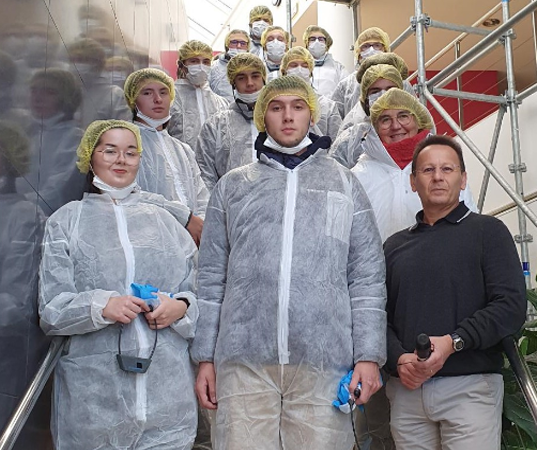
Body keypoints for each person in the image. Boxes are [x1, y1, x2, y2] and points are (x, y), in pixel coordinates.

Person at [191, 76, 387, 450]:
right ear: (263, 117)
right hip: (243, 360)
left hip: (325, 361)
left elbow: (365, 277)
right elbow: (211, 277)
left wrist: (368, 355)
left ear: (311, 115)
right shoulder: (233, 186)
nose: (287, 116)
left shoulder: (344, 184)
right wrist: (205, 358)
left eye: (297, 106)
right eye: (276, 107)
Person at [38, 119, 199, 450]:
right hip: (95, 402)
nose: (121, 160)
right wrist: (101, 306)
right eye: (109, 150)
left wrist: (180, 307)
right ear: (90, 157)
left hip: (168, 398)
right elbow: (52, 309)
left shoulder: (166, 222)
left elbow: (200, 292)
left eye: (130, 152)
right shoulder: (67, 221)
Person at [384, 134, 527, 450]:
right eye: (427, 170)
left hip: (470, 389)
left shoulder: (488, 232)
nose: (437, 177)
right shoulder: (394, 246)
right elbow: (380, 317)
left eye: (447, 169)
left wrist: (454, 342)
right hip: (407, 391)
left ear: (463, 180)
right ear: (412, 182)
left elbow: (511, 306)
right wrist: (399, 359)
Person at [347, 88, 475, 241]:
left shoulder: (443, 169)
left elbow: (469, 221)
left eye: (403, 116)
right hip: (378, 264)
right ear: (375, 127)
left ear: (418, 121)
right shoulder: (358, 177)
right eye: (385, 119)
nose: (395, 126)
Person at [124, 68, 208, 245]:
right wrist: (183, 217)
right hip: (150, 242)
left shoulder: (182, 149)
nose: (158, 99)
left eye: (164, 92)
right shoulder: (126, 143)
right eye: (147, 92)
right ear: (133, 99)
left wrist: (202, 224)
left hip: (192, 243)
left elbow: (201, 196)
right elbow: (127, 193)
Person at [17, 68, 85, 214]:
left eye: (49, 92)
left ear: (67, 99)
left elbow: (57, 194)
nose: (37, 98)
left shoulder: (74, 139)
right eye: (34, 90)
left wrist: (13, 207)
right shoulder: (26, 131)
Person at [197, 53, 266, 192]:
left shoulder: (279, 121)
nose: (250, 83)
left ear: (264, 79)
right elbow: (205, 174)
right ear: (233, 84)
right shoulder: (216, 125)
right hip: (229, 207)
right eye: (241, 78)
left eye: (255, 76)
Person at [168, 40, 229, 151]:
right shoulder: (170, 99)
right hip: (181, 164)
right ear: (182, 65)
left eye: (205, 62)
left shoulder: (221, 103)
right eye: (194, 61)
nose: (201, 67)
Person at [339, 52, 414, 134]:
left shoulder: (412, 120)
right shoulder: (352, 127)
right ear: (365, 97)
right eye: (375, 91)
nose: (383, 95)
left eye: (390, 90)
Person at [280, 46, 342, 141]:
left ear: (311, 72)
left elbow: (336, 144)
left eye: (305, 66)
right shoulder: (274, 104)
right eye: (293, 65)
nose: (299, 69)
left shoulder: (326, 105)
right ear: (284, 71)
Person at [67, 38, 131, 128]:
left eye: (82, 60)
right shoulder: (65, 92)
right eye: (72, 60)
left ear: (98, 63)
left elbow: (123, 129)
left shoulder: (114, 95)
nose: (76, 64)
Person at [331, 27, 390, 119]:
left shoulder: (398, 80)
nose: (371, 50)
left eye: (377, 45)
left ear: (385, 50)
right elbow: (335, 118)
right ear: (358, 53)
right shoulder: (345, 85)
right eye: (365, 46)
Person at [302, 25, 349, 98]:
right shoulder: (299, 66)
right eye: (312, 39)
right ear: (306, 43)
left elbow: (347, 91)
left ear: (327, 44)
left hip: (331, 108)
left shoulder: (338, 68)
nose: (317, 42)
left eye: (321, 39)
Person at [209, 29, 251, 102]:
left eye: (243, 43)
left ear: (248, 46)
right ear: (227, 44)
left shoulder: (254, 67)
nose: (238, 46)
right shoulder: (214, 67)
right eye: (234, 42)